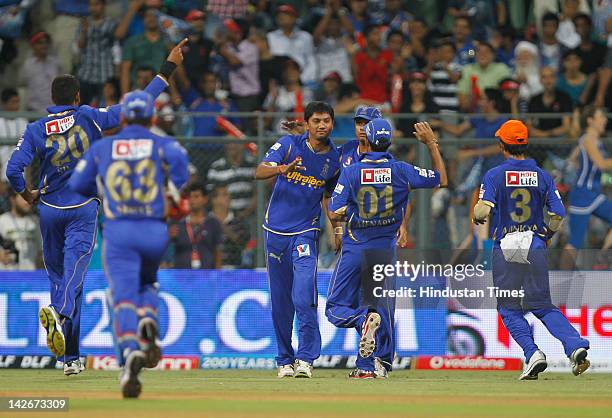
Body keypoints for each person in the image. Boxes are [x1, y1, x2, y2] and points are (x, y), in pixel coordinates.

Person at [5, 39, 186, 375]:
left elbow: (12, 169)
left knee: (60, 279)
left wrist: (27, 194)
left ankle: (69, 358)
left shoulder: (34, 129)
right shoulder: (90, 117)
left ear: (52, 100)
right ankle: (58, 315)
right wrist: (167, 67)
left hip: (47, 209)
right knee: (74, 277)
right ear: (76, 99)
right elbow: (139, 103)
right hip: (82, 207)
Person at [68, 90, 188, 398]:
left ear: (122, 117)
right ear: (151, 117)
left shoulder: (102, 148)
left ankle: (130, 349)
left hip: (120, 230)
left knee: (121, 297)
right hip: (154, 230)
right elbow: (181, 169)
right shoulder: (163, 143)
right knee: (147, 282)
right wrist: (172, 192)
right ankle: (148, 316)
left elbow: (77, 184)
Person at [327, 119, 447, 378]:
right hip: (384, 250)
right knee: (379, 308)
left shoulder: (352, 172)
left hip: (355, 247)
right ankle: (372, 366)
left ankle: (362, 329)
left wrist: (355, 212)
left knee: (335, 308)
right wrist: (431, 144)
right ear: (389, 142)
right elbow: (441, 179)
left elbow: (334, 210)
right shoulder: (401, 170)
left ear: (367, 141)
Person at [473, 119, 590, 380]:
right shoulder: (542, 175)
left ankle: (532, 353)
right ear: (525, 144)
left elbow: (482, 211)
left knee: (508, 307)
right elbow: (558, 215)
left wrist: (476, 215)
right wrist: (545, 235)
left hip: (507, 245)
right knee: (543, 305)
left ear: (502, 144)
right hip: (534, 243)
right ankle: (575, 345)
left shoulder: (494, 174)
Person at [254, 101, 341, 379]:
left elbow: (330, 197)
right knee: (281, 301)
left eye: (326, 120)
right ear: (307, 123)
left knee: (304, 296)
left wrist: (335, 228)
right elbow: (259, 171)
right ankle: (284, 360)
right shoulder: (289, 144)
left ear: (332, 124)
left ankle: (305, 358)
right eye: (316, 120)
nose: (321, 125)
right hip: (275, 233)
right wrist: (281, 169)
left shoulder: (334, 158)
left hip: (306, 232)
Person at [565, 107, 612, 253]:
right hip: (582, 194)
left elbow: (572, 159)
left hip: (592, 193)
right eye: (601, 116)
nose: (605, 119)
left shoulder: (591, 140)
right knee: (575, 242)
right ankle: (561, 275)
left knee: (575, 242)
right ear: (590, 120)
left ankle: (602, 257)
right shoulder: (589, 139)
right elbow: (602, 164)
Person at [170, 182, 223, 269]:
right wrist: (169, 237)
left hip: (206, 276)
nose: (192, 200)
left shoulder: (213, 223)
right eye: (190, 197)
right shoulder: (178, 223)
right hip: (182, 276)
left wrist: (217, 276)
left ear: (205, 199)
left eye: (196, 196)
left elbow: (217, 252)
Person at [0, 189, 41, 270]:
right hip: (7, 275)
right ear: (13, 200)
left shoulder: (36, 222)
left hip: (31, 274)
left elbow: (41, 250)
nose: (28, 202)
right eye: (24, 198)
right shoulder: (2, 221)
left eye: (29, 197)